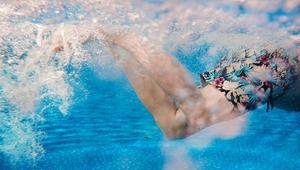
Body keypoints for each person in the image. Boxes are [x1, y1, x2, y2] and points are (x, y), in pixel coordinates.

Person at [53, 31, 300, 139]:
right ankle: (123, 35)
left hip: (273, 64)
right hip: (279, 66)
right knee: (184, 121)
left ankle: (115, 39)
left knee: (174, 125)